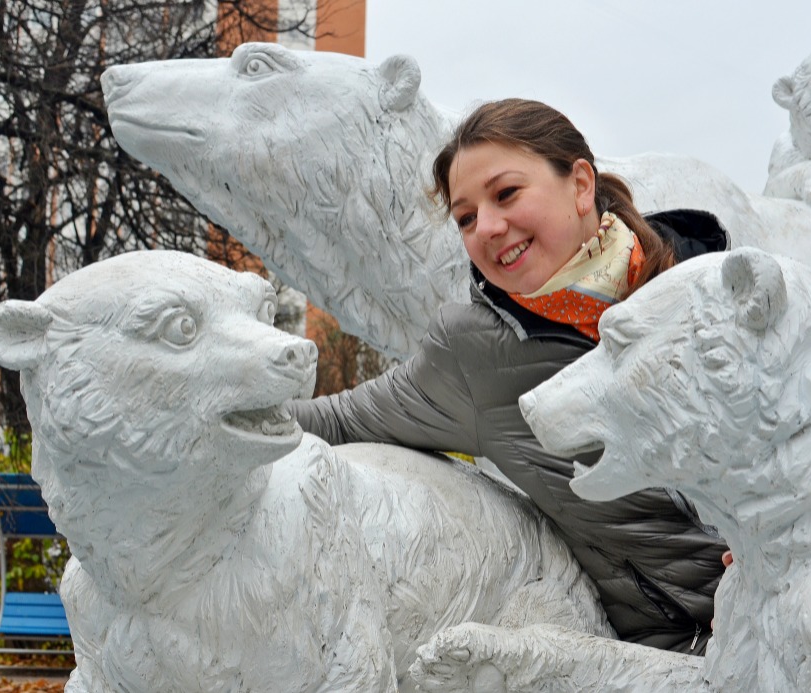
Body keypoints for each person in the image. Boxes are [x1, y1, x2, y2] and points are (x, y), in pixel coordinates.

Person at [289, 98, 730, 655]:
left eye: (506, 194)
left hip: (804, 594)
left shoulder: (710, 283)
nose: (488, 229)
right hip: (684, 650)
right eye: (466, 218)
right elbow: (336, 420)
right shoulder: (475, 357)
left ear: (581, 184)